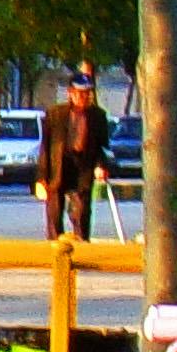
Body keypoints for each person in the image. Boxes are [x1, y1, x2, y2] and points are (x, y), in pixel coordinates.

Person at [46, 68, 113, 240]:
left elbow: (102, 147)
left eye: (87, 94)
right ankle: (54, 245)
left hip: (83, 166)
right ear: (70, 93)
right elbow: (45, 147)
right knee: (54, 210)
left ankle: (82, 242)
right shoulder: (56, 114)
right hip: (61, 165)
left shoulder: (98, 116)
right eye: (80, 94)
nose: (84, 98)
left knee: (81, 209)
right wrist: (40, 178)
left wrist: (101, 166)